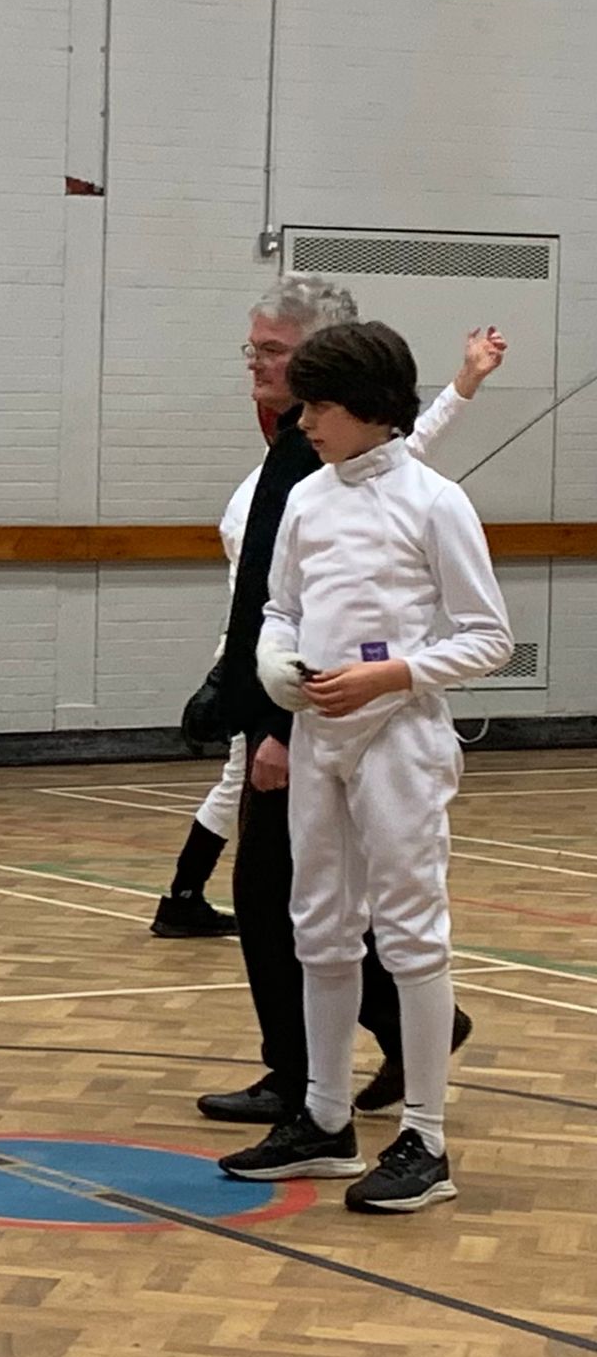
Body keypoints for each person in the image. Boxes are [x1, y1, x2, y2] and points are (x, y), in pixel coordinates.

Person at [220, 323, 510, 1210]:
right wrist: (277, 664)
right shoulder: (309, 498)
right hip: (321, 741)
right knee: (321, 927)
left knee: (412, 930)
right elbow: (279, 606)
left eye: (321, 405)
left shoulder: (434, 502)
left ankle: (426, 1137)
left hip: (401, 743)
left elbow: (489, 638)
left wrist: (394, 672)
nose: (304, 419)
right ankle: (325, 1118)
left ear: (372, 410)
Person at [153, 320, 507, 939]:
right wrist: (244, 669)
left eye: (275, 356)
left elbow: (410, 439)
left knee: (376, 898)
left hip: (335, 694)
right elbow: (266, 600)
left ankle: (186, 896)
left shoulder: (375, 482)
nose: (260, 369)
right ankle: (186, 897)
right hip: (272, 663)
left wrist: (466, 382)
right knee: (299, 882)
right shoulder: (285, 490)